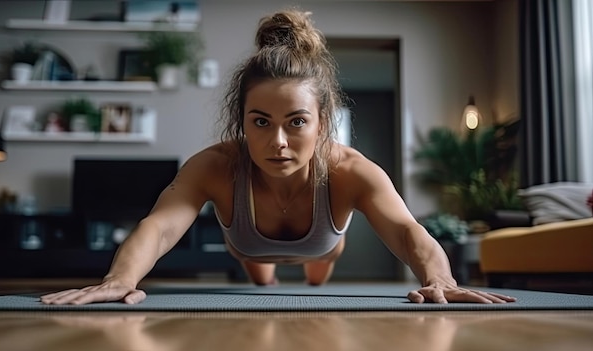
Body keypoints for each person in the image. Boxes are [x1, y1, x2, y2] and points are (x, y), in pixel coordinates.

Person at [41, 9, 516, 305]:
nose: (278, 142)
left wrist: (442, 279)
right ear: (241, 120)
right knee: (262, 285)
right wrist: (119, 278)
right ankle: (265, 279)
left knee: (316, 277)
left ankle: (319, 262)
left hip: (321, 247)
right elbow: (161, 224)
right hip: (246, 246)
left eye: (297, 121)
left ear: (323, 121)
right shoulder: (215, 166)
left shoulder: (352, 171)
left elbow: (408, 231)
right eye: (261, 122)